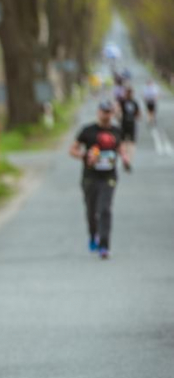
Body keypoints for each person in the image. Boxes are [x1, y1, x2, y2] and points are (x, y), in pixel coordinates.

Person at [69, 101, 131, 260]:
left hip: (109, 176)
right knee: (91, 211)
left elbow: (121, 147)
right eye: (104, 112)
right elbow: (72, 150)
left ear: (112, 113)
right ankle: (93, 234)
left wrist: (125, 159)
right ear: (98, 112)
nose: (106, 115)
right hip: (90, 177)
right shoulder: (88, 131)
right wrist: (84, 156)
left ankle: (104, 245)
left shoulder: (117, 131)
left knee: (105, 209)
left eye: (109, 112)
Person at [117, 86, 141, 164]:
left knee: (124, 142)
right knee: (131, 142)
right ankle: (129, 159)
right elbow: (138, 114)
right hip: (131, 123)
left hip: (124, 123)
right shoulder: (134, 102)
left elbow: (118, 112)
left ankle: (125, 158)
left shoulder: (122, 101)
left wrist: (119, 117)